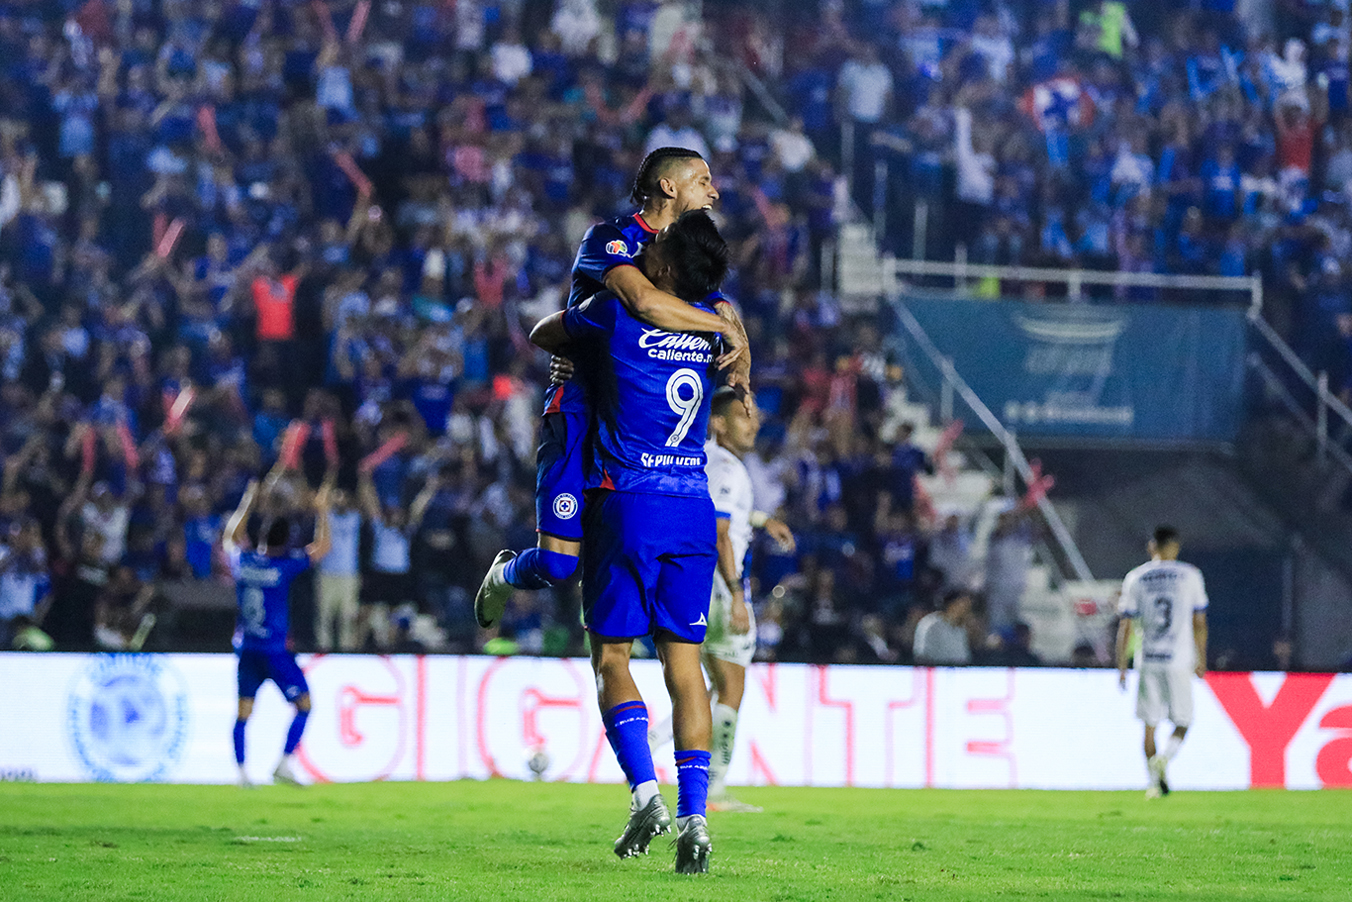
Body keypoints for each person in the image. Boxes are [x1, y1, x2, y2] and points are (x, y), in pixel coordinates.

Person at [525, 210, 730, 874]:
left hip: (629, 501)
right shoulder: (712, 327)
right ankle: (696, 817)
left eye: (658, 248)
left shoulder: (617, 313)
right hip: (693, 506)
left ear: (665, 267)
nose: (647, 251)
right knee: (685, 666)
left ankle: (646, 793)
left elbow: (544, 333)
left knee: (612, 656)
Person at [475, 147, 748, 628]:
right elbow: (641, 301)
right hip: (580, 408)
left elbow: (724, 313)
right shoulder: (612, 238)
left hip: (638, 432)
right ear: (669, 186)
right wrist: (724, 326)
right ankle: (505, 575)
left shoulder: (686, 256)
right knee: (558, 564)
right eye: (702, 179)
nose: (714, 190)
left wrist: (737, 344)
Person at [699, 387, 794, 812]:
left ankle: (654, 745)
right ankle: (714, 788)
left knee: (703, 687)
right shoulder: (728, 468)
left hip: (696, 586)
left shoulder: (700, 458)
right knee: (730, 689)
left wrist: (762, 520)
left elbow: (723, 515)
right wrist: (737, 594)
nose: (753, 424)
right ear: (719, 423)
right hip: (722, 587)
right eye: (742, 416)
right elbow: (719, 533)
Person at [224, 475, 332, 788]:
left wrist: (248, 500)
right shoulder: (284, 565)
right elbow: (323, 548)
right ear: (284, 543)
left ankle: (243, 774)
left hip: (246, 649)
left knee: (244, 711)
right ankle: (284, 764)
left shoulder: (243, 561)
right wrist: (322, 511)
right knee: (304, 705)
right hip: (274, 651)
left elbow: (230, 538)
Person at [1116, 525, 1208, 799]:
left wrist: (1122, 664)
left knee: (1149, 724)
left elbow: (1126, 625)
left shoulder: (1136, 577)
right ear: (1175, 547)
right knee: (1183, 721)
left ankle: (1153, 784)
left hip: (1148, 660)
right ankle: (1165, 758)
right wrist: (1201, 657)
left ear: (1151, 547)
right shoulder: (1190, 575)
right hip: (1179, 659)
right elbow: (1199, 622)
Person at [913, 589, 973, 666]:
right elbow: (922, 656)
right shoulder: (931, 624)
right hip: (936, 672)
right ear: (952, 605)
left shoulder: (961, 629)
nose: (967, 610)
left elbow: (964, 658)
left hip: (959, 673)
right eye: (963, 605)